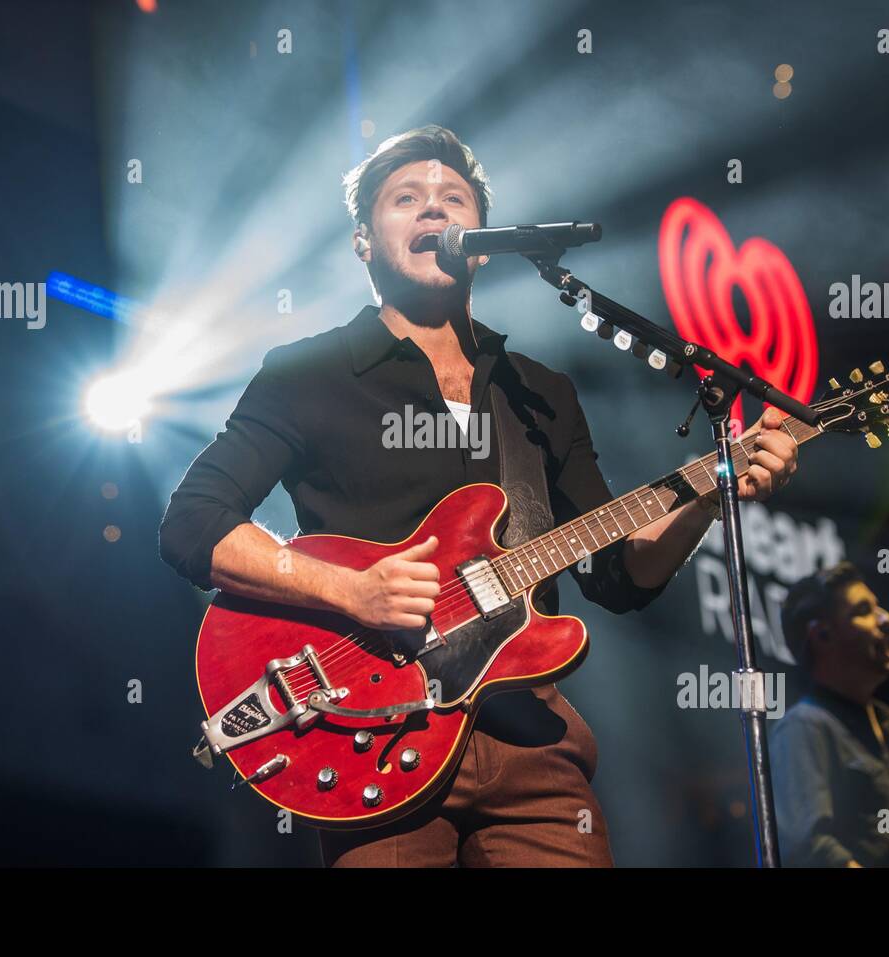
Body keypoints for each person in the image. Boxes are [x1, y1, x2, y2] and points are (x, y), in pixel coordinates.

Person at [159, 125, 798, 866]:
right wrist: (351, 590)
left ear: (483, 240)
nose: (433, 210)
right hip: (376, 729)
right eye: (406, 199)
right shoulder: (308, 373)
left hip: (532, 738)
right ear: (364, 240)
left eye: (452, 198)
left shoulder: (540, 392)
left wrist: (711, 491)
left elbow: (620, 577)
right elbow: (192, 524)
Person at [772, 562, 889, 866]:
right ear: (822, 635)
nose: (887, 619)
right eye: (864, 610)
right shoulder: (804, 727)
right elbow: (809, 847)